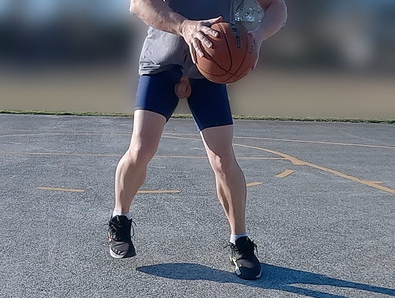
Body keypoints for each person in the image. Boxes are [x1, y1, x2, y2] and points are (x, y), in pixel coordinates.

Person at [107, 0, 287, 280]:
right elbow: (139, 5)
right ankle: (120, 218)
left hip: (210, 68)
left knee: (223, 159)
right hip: (161, 64)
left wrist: (258, 35)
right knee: (141, 147)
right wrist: (184, 27)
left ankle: (240, 240)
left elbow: (277, 5)